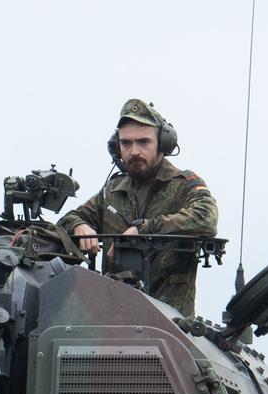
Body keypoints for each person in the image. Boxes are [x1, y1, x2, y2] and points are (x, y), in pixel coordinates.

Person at [58, 99, 218, 315]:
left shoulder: (183, 184)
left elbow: (206, 218)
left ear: (163, 143)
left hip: (171, 325)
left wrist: (144, 230)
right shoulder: (113, 190)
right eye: (126, 143)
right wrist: (79, 225)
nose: (134, 151)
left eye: (143, 142)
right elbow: (69, 219)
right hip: (113, 320)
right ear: (117, 146)